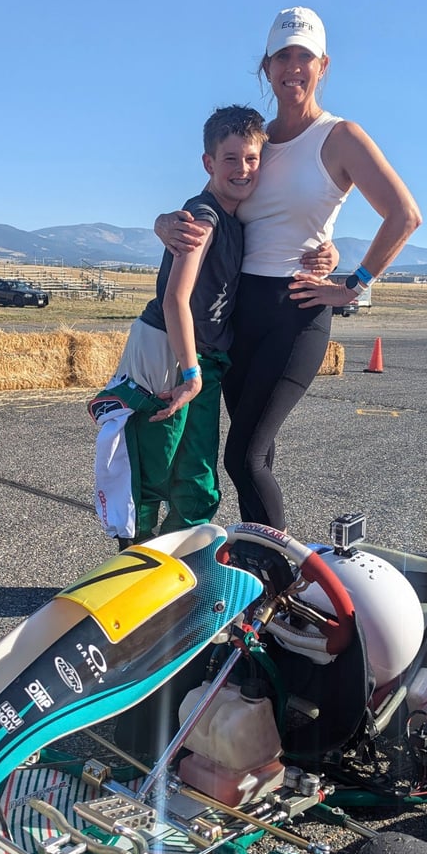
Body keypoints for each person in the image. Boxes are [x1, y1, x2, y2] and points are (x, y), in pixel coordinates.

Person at [155, 6, 422, 531]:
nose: (292, 67)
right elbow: (218, 203)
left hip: (295, 314)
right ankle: (260, 572)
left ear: (323, 65)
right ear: (266, 66)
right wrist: (163, 221)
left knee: (242, 458)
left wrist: (353, 283)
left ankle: (283, 570)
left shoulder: (339, 136)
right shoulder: (256, 142)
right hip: (239, 316)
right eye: (282, 56)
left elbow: (404, 215)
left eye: (304, 56)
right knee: (261, 454)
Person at [90, 105, 266, 548]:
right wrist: (190, 373)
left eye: (251, 159)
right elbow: (175, 297)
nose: (243, 169)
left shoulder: (234, 216)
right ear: (208, 163)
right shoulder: (202, 218)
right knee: (153, 464)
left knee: (197, 477)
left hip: (202, 357)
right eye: (231, 159)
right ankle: (134, 560)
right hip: (169, 352)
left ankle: (180, 562)